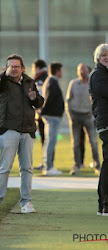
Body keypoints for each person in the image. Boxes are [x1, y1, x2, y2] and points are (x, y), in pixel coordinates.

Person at [0, 54, 44, 212]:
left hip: (27, 130)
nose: (13, 69)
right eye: (10, 66)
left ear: (23, 68)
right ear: (6, 68)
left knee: (27, 169)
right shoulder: (2, 81)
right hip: (8, 129)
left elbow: (39, 102)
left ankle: (26, 203)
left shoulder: (29, 82)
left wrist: (34, 98)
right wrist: (4, 73)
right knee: (4, 168)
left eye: (16, 66)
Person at [66, 63, 100, 175]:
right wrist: (70, 114)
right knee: (75, 143)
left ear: (88, 71)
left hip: (88, 116)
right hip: (75, 116)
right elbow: (68, 100)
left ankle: (97, 165)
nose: (81, 72)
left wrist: (93, 112)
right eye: (79, 70)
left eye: (83, 69)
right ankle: (77, 165)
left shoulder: (93, 82)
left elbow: (98, 98)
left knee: (93, 142)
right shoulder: (73, 83)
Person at [89, 43, 108, 216]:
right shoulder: (98, 75)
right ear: (98, 58)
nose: (107, 57)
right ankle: (104, 204)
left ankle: (103, 205)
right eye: (104, 55)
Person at [41, 63, 64, 176]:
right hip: (52, 117)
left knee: (50, 141)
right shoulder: (52, 81)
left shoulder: (51, 81)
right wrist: (42, 111)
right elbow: (49, 98)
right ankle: (48, 167)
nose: (62, 72)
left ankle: (49, 166)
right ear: (57, 71)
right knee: (50, 141)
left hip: (52, 116)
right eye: (61, 70)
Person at [32, 59, 48, 170]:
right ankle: (45, 162)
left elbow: (41, 94)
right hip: (42, 111)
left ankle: (46, 163)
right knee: (44, 137)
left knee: (45, 138)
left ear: (37, 67)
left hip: (42, 111)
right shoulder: (44, 76)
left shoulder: (41, 78)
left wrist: (39, 109)